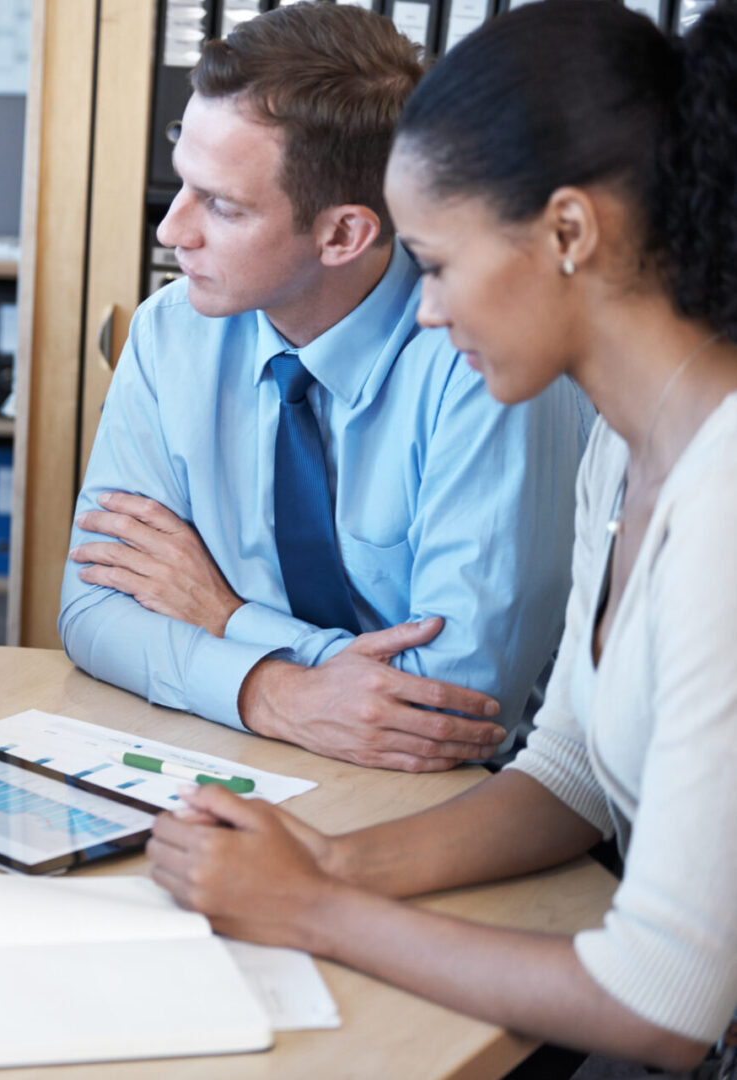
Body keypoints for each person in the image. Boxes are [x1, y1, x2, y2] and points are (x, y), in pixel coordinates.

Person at [149, 3, 737, 1070]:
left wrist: (311, 912)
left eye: (433, 262)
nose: (419, 313)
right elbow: (569, 772)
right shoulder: (627, 446)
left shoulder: (725, 491)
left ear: (567, 232)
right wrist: (333, 861)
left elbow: (662, 997)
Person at [59, 4, 592, 771]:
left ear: (343, 234)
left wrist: (224, 615)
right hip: (237, 746)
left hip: (467, 795)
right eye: (183, 186)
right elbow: (91, 611)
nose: (171, 231)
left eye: (222, 206)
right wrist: (271, 693)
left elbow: (449, 707)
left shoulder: (483, 362)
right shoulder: (169, 331)